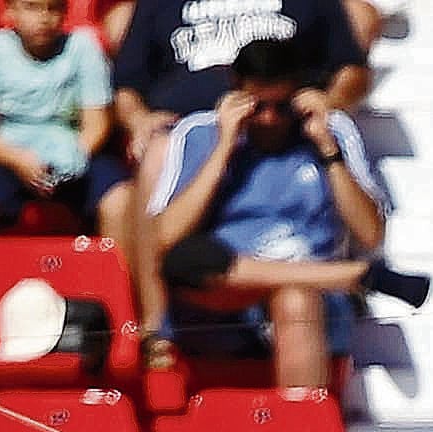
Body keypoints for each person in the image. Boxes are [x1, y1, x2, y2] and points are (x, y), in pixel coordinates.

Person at [148, 37, 414, 399]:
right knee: (188, 259)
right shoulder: (197, 134)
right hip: (222, 294)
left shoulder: (332, 130)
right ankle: (349, 276)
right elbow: (165, 238)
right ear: (235, 90)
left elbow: (370, 236)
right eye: (258, 106)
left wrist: (327, 150)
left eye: (281, 106)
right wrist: (225, 146)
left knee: (294, 297)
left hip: (311, 300)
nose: (270, 119)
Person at [0, 0, 141, 283]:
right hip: (7, 153)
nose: (43, 18)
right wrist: (18, 160)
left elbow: (97, 122)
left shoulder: (83, 48)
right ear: (10, 12)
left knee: (120, 197)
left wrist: (70, 159)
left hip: (72, 153)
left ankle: (124, 298)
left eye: (53, 9)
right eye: (32, 8)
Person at [109, 0, 367, 160]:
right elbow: (128, 83)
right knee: (158, 149)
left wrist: (331, 101)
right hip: (185, 133)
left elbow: (351, 67)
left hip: (282, 129)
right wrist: (138, 120)